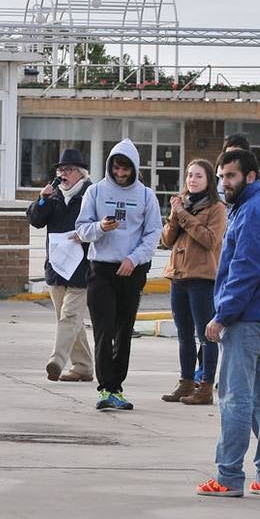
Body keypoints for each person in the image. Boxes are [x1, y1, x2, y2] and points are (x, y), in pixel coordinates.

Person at [196, 148, 260, 498]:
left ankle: (228, 477)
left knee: (234, 397)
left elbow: (245, 270)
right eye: (220, 177)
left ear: (250, 176)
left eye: (230, 176)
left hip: (247, 317)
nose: (223, 183)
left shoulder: (251, 211)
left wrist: (222, 316)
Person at [74, 139, 162, 411]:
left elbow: (152, 235)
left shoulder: (147, 196)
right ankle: (105, 388)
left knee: (124, 331)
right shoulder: (96, 192)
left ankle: (117, 387)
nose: (120, 175)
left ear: (134, 169)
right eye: (116, 168)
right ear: (110, 166)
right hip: (101, 268)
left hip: (131, 270)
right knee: (104, 329)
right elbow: (82, 230)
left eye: (126, 170)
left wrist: (133, 259)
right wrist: (100, 226)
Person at [160, 160, 227, 405]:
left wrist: (183, 214)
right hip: (178, 276)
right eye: (189, 175)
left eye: (198, 175)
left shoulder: (217, 208)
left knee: (205, 334)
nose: (192, 179)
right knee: (184, 334)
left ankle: (206, 386)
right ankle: (185, 381)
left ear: (209, 180)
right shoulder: (182, 204)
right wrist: (175, 215)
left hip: (202, 278)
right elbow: (167, 240)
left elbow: (210, 240)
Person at [26, 148, 92, 382]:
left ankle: (56, 360)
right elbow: (35, 220)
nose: (63, 174)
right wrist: (42, 199)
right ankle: (83, 366)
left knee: (69, 316)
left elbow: (100, 226)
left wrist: (84, 234)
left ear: (80, 174)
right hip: (56, 266)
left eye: (68, 170)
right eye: (61, 170)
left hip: (81, 268)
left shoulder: (89, 195)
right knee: (70, 322)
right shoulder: (53, 196)